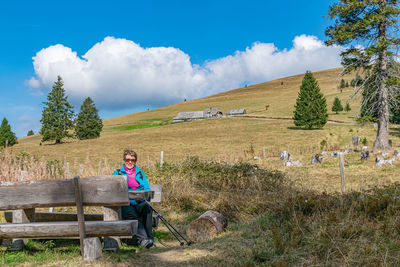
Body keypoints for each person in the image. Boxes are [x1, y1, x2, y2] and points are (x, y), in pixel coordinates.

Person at [113, 149, 154, 248]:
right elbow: (113, 188)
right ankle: (144, 240)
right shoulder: (117, 173)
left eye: (133, 160)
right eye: (127, 160)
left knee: (147, 208)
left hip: (140, 202)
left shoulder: (140, 173)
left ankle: (150, 239)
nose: (130, 162)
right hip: (126, 203)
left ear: (135, 161)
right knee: (131, 214)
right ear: (124, 160)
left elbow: (147, 188)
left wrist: (145, 198)